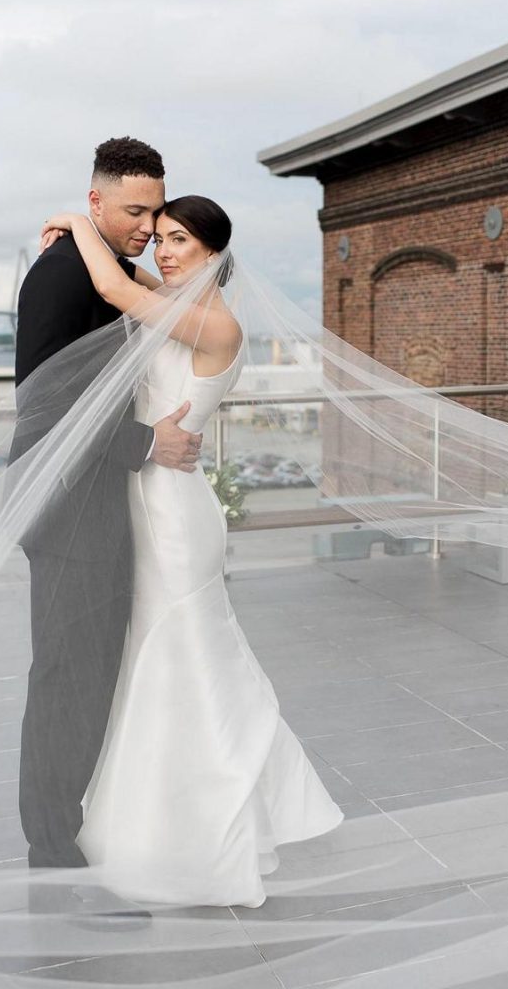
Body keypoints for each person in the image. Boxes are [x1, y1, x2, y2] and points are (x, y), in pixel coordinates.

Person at [38, 196, 345, 908]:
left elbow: (115, 286)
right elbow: (132, 283)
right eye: (161, 237)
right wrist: (94, 245)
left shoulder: (214, 323)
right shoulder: (176, 302)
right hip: (147, 503)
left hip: (173, 516)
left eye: (178, 239)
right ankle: (161, 827)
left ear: (212, 251)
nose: (162, 250)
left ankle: (207, 841)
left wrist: (79, 224)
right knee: (155, 667)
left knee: (182, 663)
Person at [10, 137, 204, 922]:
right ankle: (53, 859)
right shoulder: (62, 275)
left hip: (98, 510)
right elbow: (44, 414)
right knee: (66, 687)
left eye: (156, 210)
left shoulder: (105, 265)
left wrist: (83, 230)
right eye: (133, 211)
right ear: (97, 202)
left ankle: (67, 841)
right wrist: (147, 443)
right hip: (66, 513)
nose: (148, 224)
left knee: (87, 686)